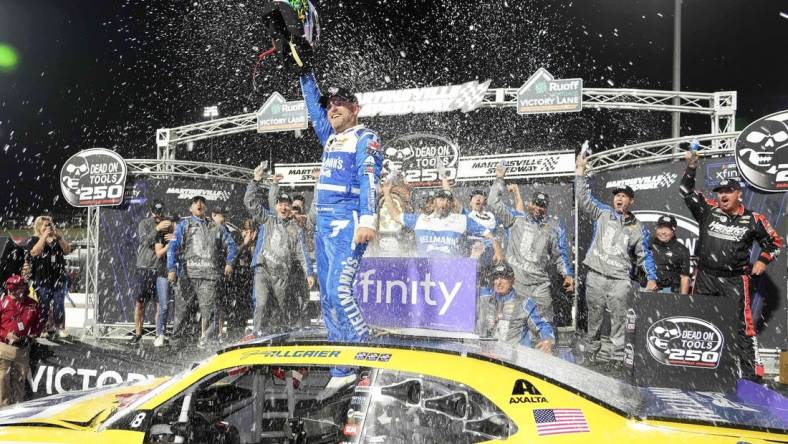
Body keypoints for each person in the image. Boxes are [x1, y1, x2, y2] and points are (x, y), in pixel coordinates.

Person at [300, 72, 384, 354]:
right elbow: (314, 108)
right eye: (330, 104)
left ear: (355, 109)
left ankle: (363, 356)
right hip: (323, 226)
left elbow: (369, 177)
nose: (332, 108)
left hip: (347, 223)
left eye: (340, 103)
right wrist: (304, 74)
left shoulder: (365, 137)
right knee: (327, 298)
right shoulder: (330, 138)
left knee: (339, 291)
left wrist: (368, 219)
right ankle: (341, 366)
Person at [680, 150, 783, 380]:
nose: (722, 195)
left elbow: (775, 242)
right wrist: (692, 167)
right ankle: (696, 370)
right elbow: (685, 191)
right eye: (720, 192)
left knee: (743, 327)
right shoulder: (708, 210)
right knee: (700, 320)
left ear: (739, 194)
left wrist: (764, 259)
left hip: (735, 279)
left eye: (728, 191)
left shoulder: (754, 219)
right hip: (706, 276)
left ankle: (751, 374)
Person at [575, 156, 658, 362]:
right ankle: (591, 352)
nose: (618, 198)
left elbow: (644, 255)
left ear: (631, 201)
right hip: (596, 275)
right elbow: (583, 197)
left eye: (623, 196)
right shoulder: (603, 213)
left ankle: (618, 356)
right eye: (616, 195)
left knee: (619, 319)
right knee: (594, 317)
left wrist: (651, 277)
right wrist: (580, 171)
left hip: (620, 280)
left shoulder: (638, 227)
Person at [488, 165, 574, 326]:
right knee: (511, 327)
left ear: (546, 208)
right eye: (536, 204)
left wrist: (567, 274)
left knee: (544, 328)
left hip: (540, 287)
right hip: (516, 285)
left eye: (542, 206)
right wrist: (499, 178)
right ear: (529, 205)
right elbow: (493, 201)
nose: (538, 208)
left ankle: (545, 350)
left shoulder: (553, 228)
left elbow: (560, 256)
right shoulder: (515, 219)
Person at [245, 166, 315, 334]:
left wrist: (309, 273)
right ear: (275, 207)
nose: (284, 208)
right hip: (263, 270)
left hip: (282, 275)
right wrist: (255, 181)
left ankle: (274, 336)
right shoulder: (267, 219)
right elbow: (250, 203)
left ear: (290, 208)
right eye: (281, 205)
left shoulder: (295, 229)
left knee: (279, 309)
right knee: (261, 303)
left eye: (287, 206)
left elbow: (302, 253)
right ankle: (257, 333)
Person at [167, 196, 237, 348]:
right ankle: (176, 342)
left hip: (209, 277)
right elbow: (172, 248)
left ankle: (208, 343)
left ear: (206, 208)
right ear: (190, 209)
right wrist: (171, 268)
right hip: (187, 276)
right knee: (181, 311)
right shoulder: (183, 225)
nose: (199, 204)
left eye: (202, 203)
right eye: (195, 203)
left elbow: (232, 246)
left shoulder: (216, 227)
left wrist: (229, 263)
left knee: (210, 313)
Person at [382, 184, 494, 258]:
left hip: (452, 272)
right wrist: (387, 193)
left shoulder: (462, 220)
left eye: (448, 201)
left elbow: (489, 235)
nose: (444, 203)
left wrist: (493, 251)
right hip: (424, 272)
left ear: (452, 204)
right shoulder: (420, 219)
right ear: (434, 201)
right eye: (441, 199)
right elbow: (395, 216)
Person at [476, 263, 555, 353]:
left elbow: (543, 325)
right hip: (484, 357)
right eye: (496, 278)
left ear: (513, 281)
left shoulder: (524, 303)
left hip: (514, 361)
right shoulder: (483, 296)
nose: (498, 282)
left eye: (503, 278)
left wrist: (547, 339)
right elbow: (465, 285)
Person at [131, 200, 172, 347]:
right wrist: (157, 228)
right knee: (140, 303)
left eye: (160, 213)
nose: (158, 216)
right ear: (151, 211)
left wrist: (171, 236)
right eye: (156, 213)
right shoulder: (144, 223)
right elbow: (144, 241)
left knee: (160, 305)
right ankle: (137, 334)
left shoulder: (168, 224)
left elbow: (172, 243)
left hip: (160, 269)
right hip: (144, 267)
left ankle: (158, 334)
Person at [0, 275, 42, 406]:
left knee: (19, 382)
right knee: (2, 381)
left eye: (19, 288)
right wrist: (5, 334)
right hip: (4, 347)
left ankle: (17, 410)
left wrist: (31, 334)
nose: (15, 292)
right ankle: (3, 411)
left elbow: (37, 325)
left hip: (22, 349)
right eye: (12, 290)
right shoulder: (3, 302)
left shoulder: (32, 305)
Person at [26, 216, 71, 339]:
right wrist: (44, 237)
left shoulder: (58, 240)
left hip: (58, 278)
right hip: (41, 279)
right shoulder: (34, 239)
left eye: (50, 224)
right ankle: (44, 328)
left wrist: (59, 237)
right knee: (43, 305)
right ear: (39, 227)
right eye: (45, 225)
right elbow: (35, 252)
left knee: (59, 304)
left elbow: (67, 250)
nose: (48, 227)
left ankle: (60, 327)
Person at [647, 215, 691, 294]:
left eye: (667, 229)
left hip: (668, 292)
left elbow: (684, 278)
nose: (663, 232)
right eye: (661, 228)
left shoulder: (682, 250)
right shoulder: (647, 243)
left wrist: (684, 301)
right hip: (645, 288)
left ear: (673, 231)